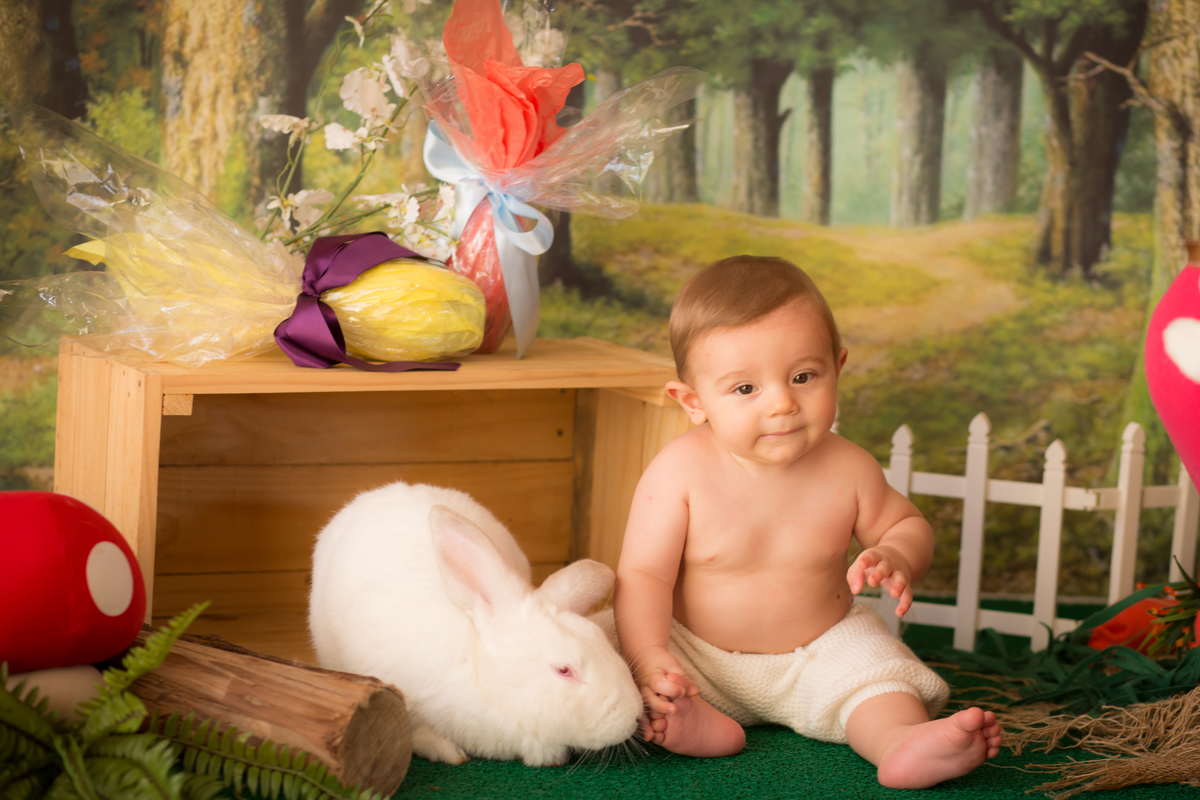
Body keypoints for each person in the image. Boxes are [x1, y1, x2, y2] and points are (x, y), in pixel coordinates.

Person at [612, 255, 1002, 789]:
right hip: (696, 656)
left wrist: (896, 554)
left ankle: (898, 740)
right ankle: (692, 720)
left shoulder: (850, 468)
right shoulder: (679, 471)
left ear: (837, 367)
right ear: (694, 402)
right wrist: (651, 655)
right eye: (745, 389)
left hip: (821, 650)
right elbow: (644, 575)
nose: (782, 404)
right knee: (611, 664)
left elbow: (906, 524)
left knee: (878, 675)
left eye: (803, 377)